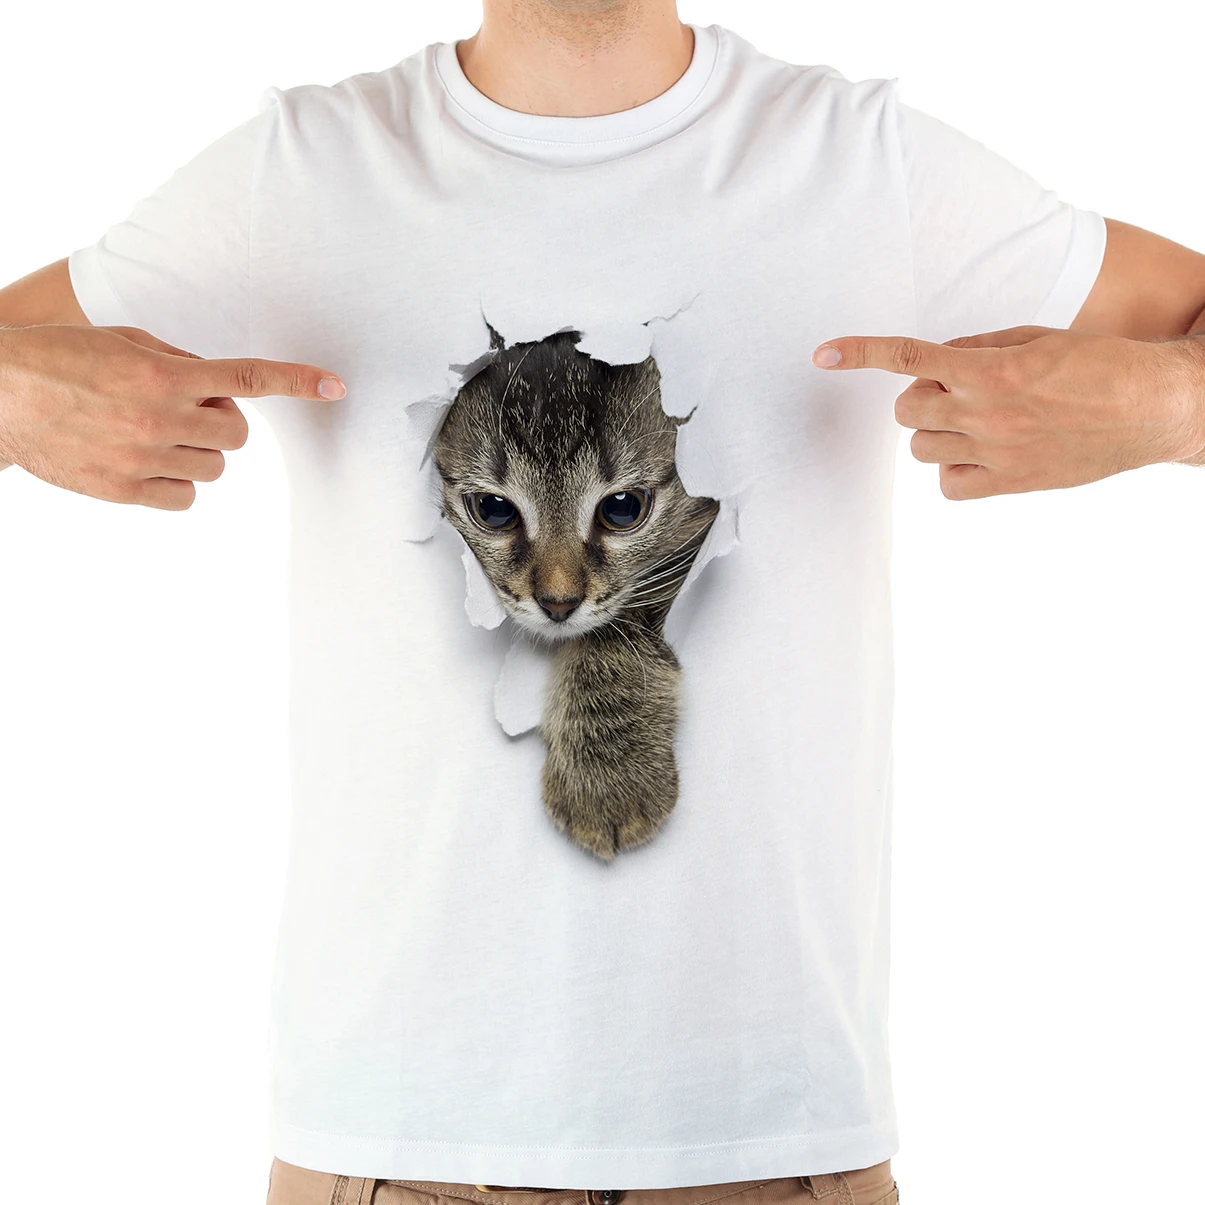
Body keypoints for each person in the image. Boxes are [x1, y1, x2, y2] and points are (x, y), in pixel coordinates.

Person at [1, 2, 1203, 1204]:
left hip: (772, 1150)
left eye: (613, 516)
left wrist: (1163, 405)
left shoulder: (863, 162)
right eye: (501, 516)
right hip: (389, 1146)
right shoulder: (301, 172)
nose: (558, 585)